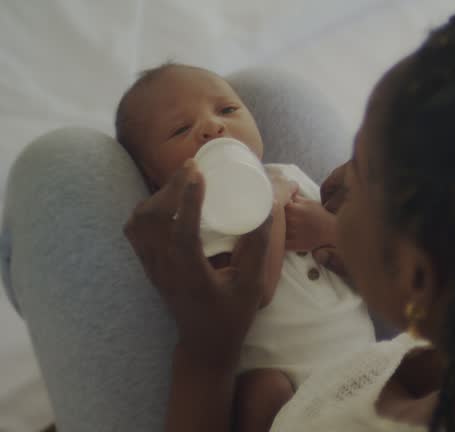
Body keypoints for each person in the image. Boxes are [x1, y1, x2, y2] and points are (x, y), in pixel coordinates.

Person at [2, 0, 455, 430]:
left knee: (59, 166)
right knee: (267, 90)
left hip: (243, 375)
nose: (330, 179)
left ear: (417, 273)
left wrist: (205, 350)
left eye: (360, 173)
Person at [113, 63, 376, 431]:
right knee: (259, 391)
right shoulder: (193, 222)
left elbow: (360, 259)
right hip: (296, 392)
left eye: (228, 110)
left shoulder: (288, 174)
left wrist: (331, 230)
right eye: (180, 129)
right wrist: (271, 208)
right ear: (154, 178)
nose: (213, 127)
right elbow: (255, 291)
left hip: (367, 362)